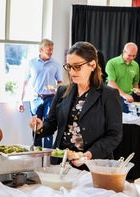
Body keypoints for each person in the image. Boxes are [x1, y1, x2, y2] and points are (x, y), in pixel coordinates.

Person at [29, 41, 122, 170]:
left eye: (77, 66)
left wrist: (89, 155)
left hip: (93, 166)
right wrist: (40, 127)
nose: (72, 72)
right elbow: (51, 123)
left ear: (92, 65)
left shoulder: (108, 94)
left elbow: (114, 135)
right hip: (62, 163)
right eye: (69, 66)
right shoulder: (62, 91)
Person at [18, 39, 63, 148]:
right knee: (36, 126)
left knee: (49, 125)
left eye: (52, 50)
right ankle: (37, 151)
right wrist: (20, 100)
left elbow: (60, 83)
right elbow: (24, 82)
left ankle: (47, 153)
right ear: (41, 49)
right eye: (48, 50)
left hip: (51, 98)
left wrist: (55, 88)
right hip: (35, 98)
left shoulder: (56, 63)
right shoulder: (31, 63)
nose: (51, 52)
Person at [105, 42, 140, 113]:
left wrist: (136, 90)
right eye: (129, 55)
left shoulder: (135, 65)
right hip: (113, 97)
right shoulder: (112, 63)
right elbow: (110, 83)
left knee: (128, 121)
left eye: (134, 56)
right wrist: (124, 95)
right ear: (124, 51)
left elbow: (135, 83)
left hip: (128, 99)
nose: (131, 58)